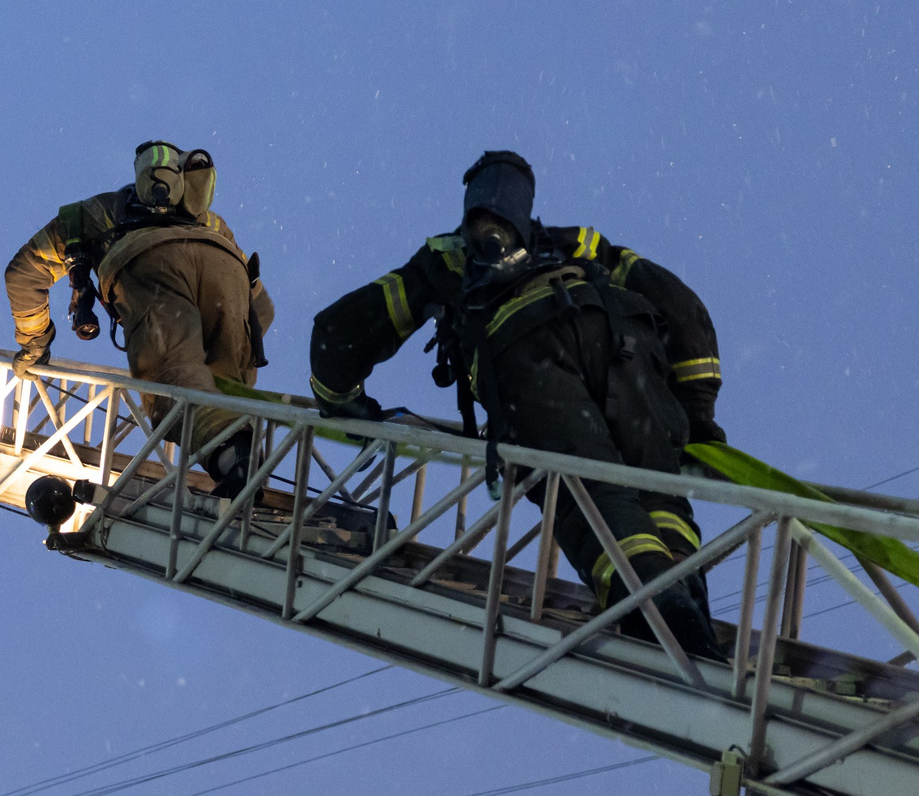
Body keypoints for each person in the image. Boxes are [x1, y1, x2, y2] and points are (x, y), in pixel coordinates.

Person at [306, 150, 726, 660]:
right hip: (627, 350)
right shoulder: (581, 245)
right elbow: (681, 305)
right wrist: (696, 415)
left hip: (530, 356)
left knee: (583, 491)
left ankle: (655, 603)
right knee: (656, 485)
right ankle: (685, 589)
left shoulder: (447, 258)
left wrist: (341, 400)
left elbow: (341, 331)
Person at [5, 141, 276, 496]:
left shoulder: (92, 214)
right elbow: (262, 310)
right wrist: (227, 348)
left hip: (151, 264)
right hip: (229, 271)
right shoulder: (212, 223)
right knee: (225, 385)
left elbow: (22, 275)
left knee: (170, 380)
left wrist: (34, 346)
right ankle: (239, 459)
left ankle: (227, 454)